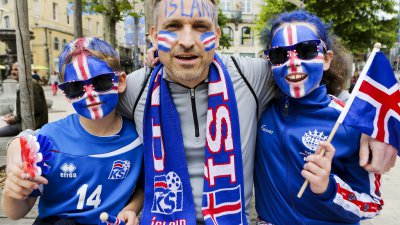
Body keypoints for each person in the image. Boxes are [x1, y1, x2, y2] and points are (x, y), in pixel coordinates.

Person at [6, 0, 398, 224]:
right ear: (153, 36)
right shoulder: (133, 86)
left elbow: (310, 79)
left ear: (218, 34)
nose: (188, 41)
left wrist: (375, 128)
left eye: (200, 25)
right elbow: (81, 121)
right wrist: (18, 150)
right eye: (174, 26)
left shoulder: (252, 75)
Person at [254, 10, 384, 225]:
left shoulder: (350, 122)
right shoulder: (262, 109)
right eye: (279, 55)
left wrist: (329, 188)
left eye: (306, 50)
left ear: (327, 60)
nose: (292, 63)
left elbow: (373, 204)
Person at [1, 37, 144, 225]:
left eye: (101, 82)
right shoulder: (48, 142)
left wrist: (131, 209)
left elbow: (143, 185)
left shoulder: (139, 137)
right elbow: (17, 212)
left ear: (121, 81)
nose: (90, 94)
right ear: (66, 94)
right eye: (76, 87)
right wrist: (12, 193)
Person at [0, 63, 48, 137]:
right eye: (12, 70)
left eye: (16, 70)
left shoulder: (31, 84)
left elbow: (35, 109)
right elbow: (24, 107)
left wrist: (14, 119)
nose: (13, 72)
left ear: (23, 70)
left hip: (33, 125)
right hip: (23, 122)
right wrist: (13, 115)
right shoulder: (22, 84)